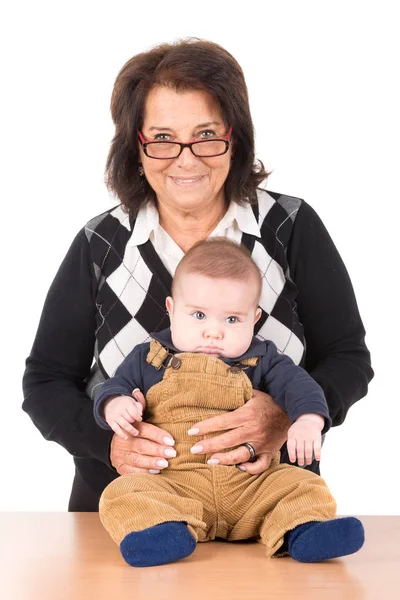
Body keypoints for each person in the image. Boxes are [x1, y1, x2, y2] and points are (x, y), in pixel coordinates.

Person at [22, 38, 373, 513]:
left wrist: (286, 416)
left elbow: (348, 357)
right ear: (137, 146)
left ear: (235, 136)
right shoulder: (101, 242)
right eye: (163, 138)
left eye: (206, 134)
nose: (186, 159)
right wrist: (109, 446)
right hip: (127, 508)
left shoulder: (288, 228)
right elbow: (45, 380)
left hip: (268, 502)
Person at [94, 238, 365, 567]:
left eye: (232, 320)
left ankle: (305, 531)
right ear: (171, 309)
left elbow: (299, 386)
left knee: (301, 483)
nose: (213, 332)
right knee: (121, 493)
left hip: (251, 484)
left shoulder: (264, 359)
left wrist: (308, 419)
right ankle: (164, 531)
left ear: (255, 318)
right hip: (173, 484)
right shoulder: (148, 358)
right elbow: (113, 387)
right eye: (198, 315)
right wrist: (114, 404)